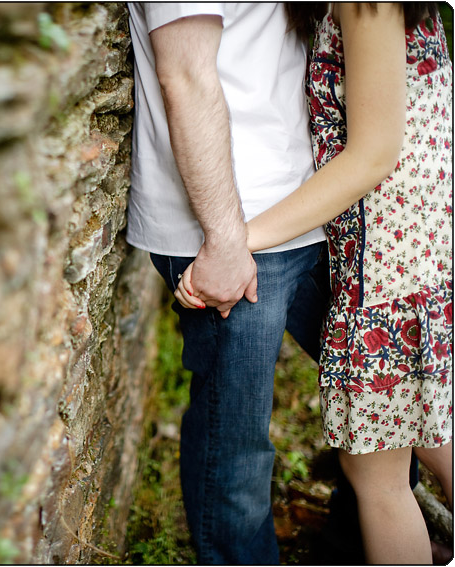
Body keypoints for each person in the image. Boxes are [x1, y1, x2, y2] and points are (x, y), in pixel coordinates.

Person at [176, 3, 453, 563]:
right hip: (405, 259)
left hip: (389, 273)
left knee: (379, 476)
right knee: (430, 437)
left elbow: (373, 155)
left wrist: (237, 240)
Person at [127, 4, 330, 563]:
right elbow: (187, 74)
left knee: (383, 388)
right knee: (236, 451)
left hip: (311, 204)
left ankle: (373, 528)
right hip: (226, 228)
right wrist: (223, 241)